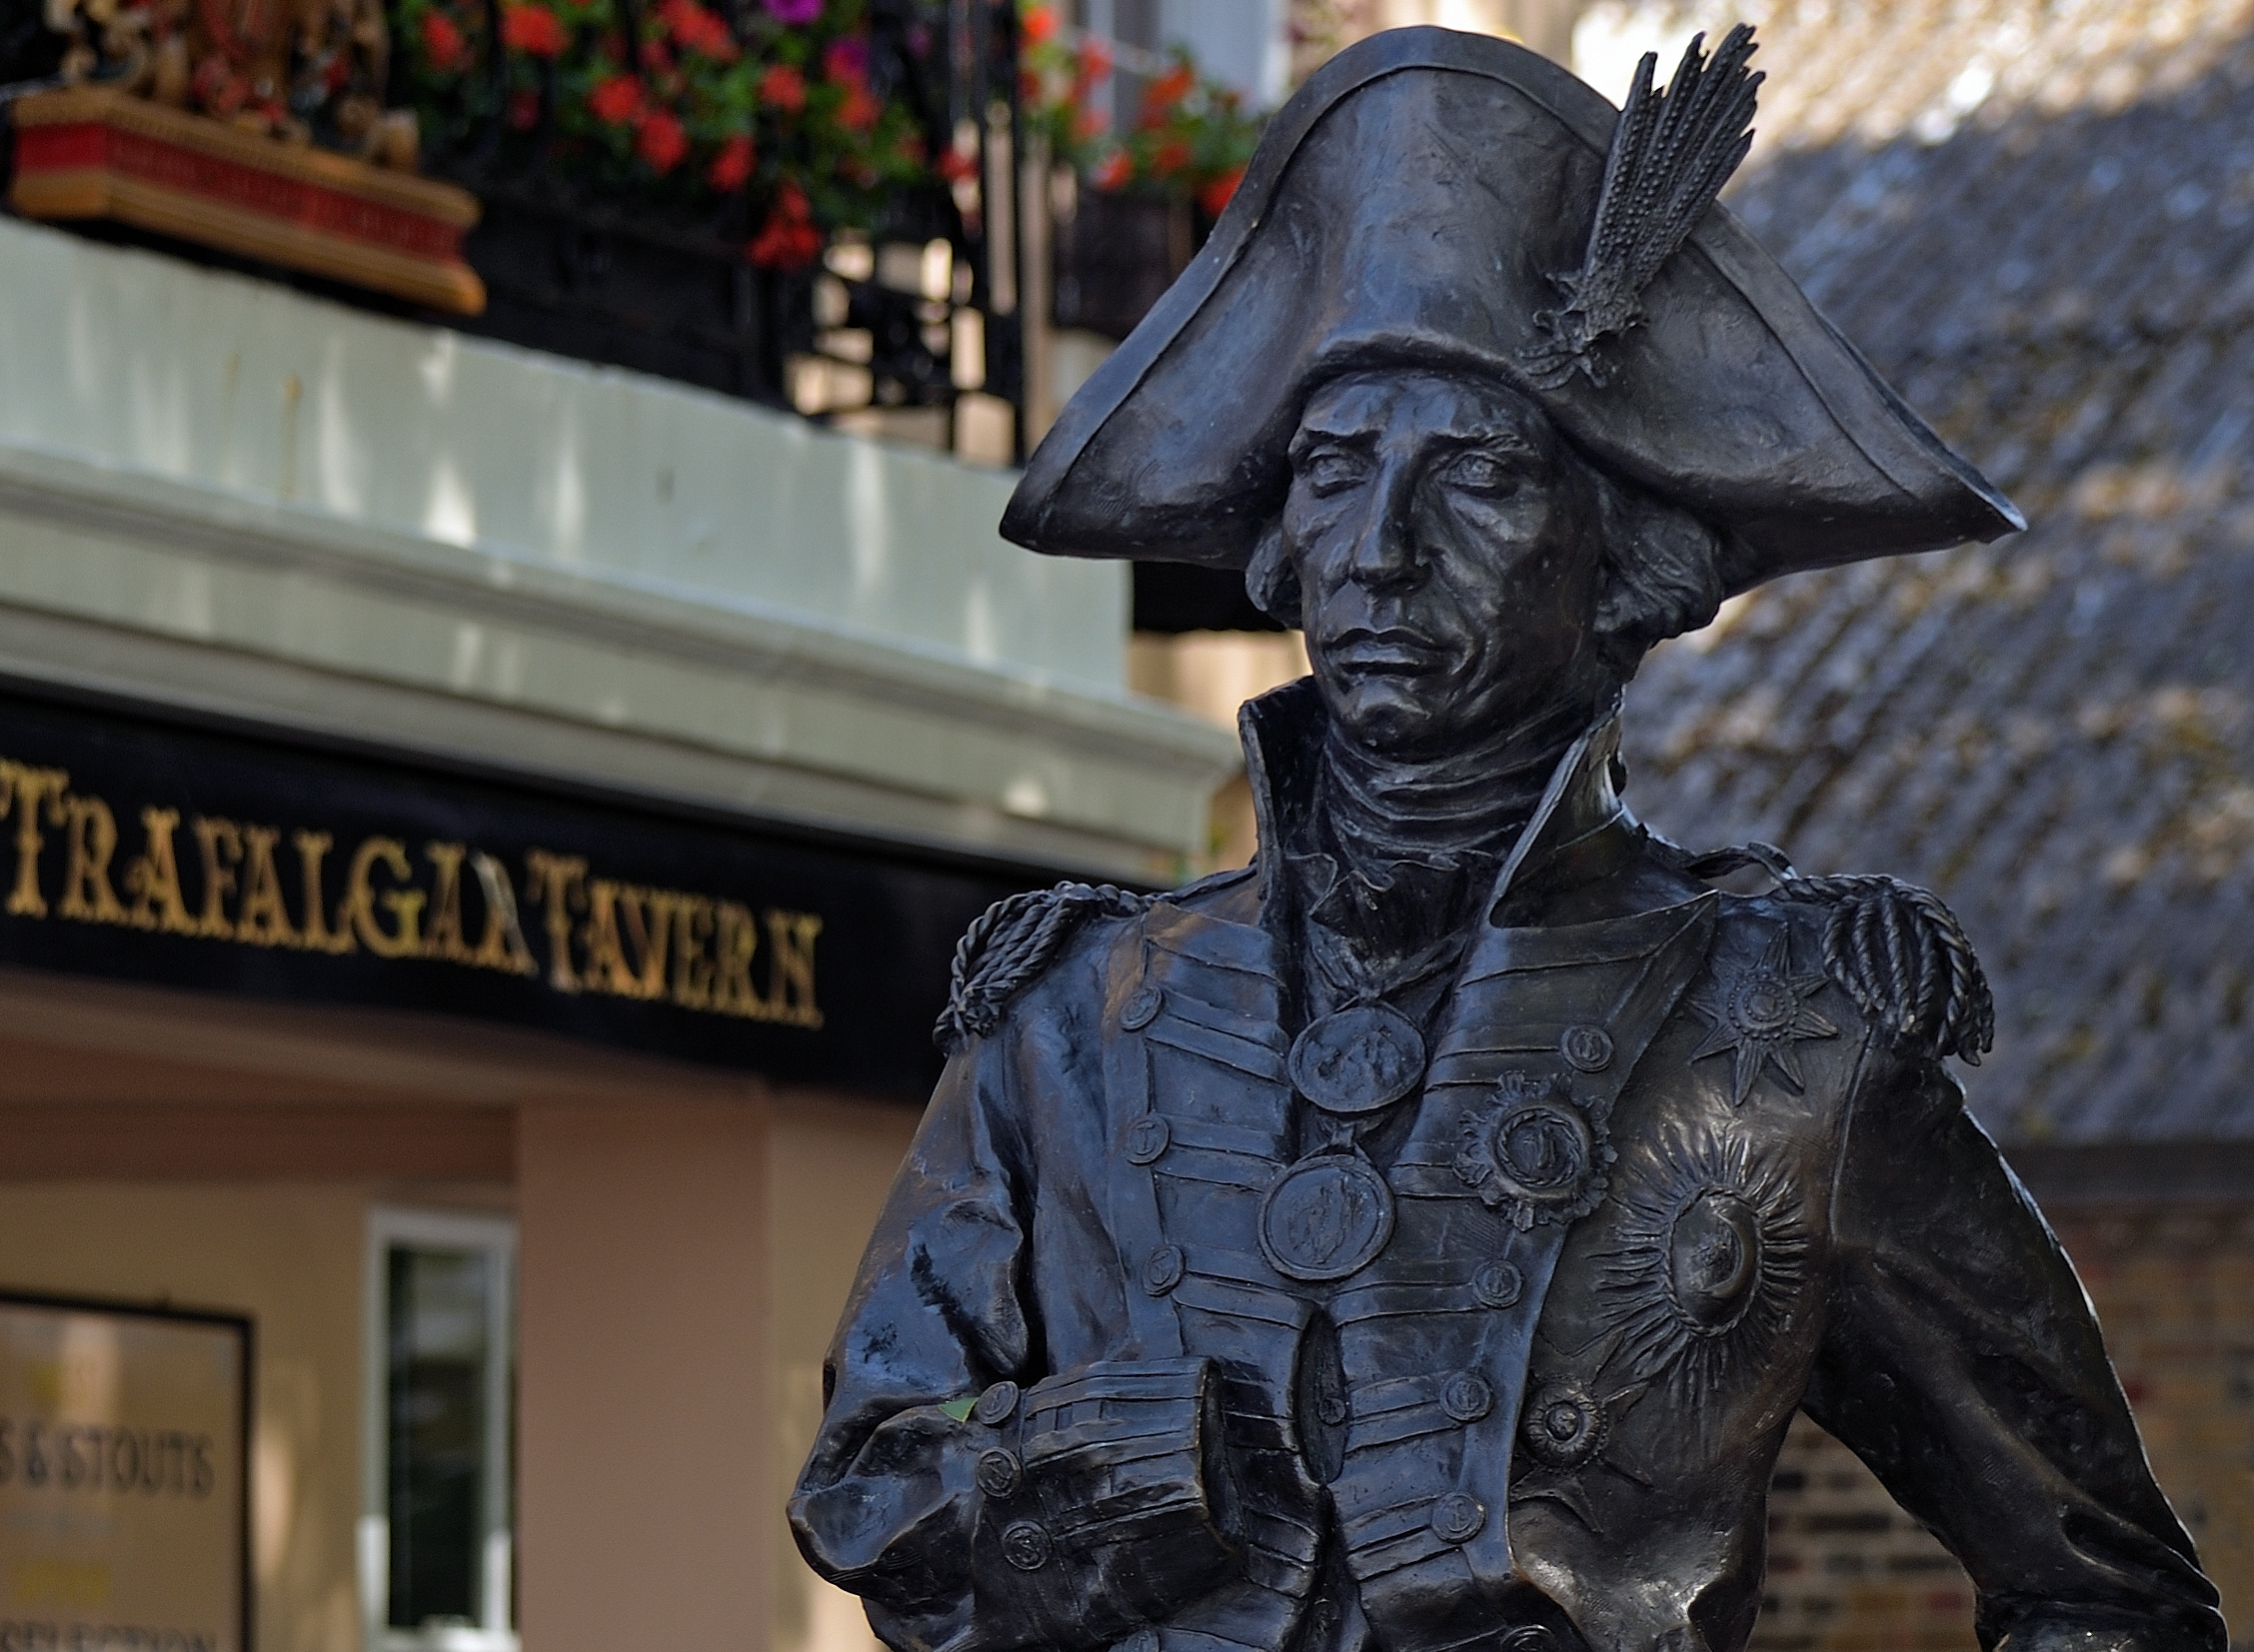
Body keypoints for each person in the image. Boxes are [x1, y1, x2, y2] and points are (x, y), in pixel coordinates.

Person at [790, 25, 2225, 1652]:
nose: (1381, 552)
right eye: (1333, 471)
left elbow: (2104, 1594)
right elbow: (871, 1485)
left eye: (1472, 472)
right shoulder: (1075, 1017)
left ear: (1626, 561)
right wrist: (1097, 1476)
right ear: (1276, 542)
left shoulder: (1791, 1038)